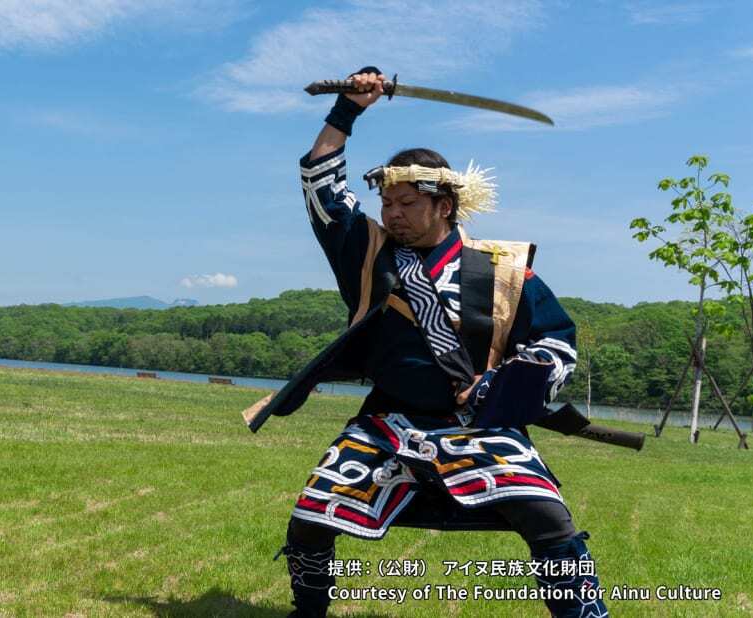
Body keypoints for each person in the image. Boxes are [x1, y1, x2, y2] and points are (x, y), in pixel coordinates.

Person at [260, 67, 608, 618]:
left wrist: (504, 383)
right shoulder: (368, 254)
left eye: (406, 204)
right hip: (387, 424)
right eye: (387, 204)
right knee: (308, 521)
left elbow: (555, 343)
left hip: (479, 424)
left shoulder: (502, 271)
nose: (392, 214)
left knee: (551, 519)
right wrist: (348, 108)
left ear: (444, 205)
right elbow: (320, 181)